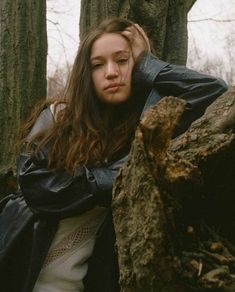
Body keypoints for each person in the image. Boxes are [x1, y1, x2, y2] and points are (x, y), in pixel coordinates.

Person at [0, 17, 227, 292]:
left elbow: (214, 93)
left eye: (122, 60)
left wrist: (147, 62)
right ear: (87, 73)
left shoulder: (147, 127)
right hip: (19, 273)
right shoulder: (59, 117)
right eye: (98, 65)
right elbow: (37, 185)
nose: (110, 72)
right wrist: (120, 176)